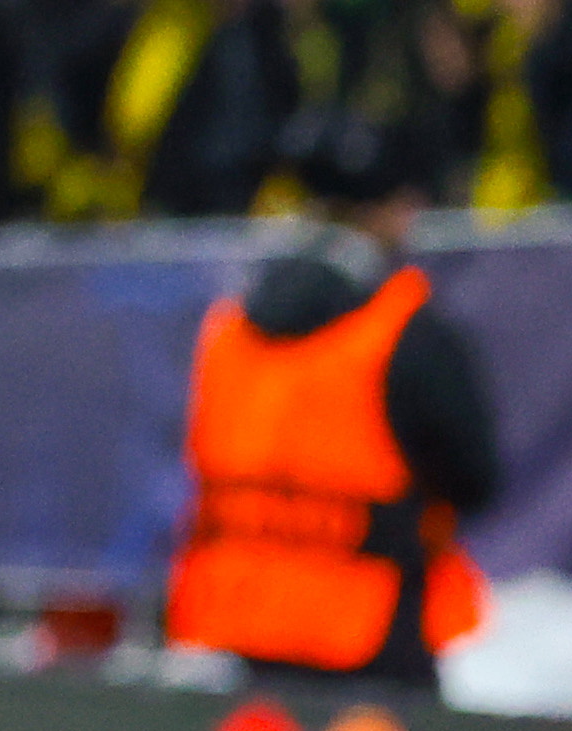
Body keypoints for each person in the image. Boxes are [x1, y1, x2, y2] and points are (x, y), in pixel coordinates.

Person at [166, 115, 503, 685]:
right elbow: (475, 477)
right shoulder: (405, 331)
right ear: (398, 208)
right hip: (372, 637)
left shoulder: (228, 327)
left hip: (242, 634)